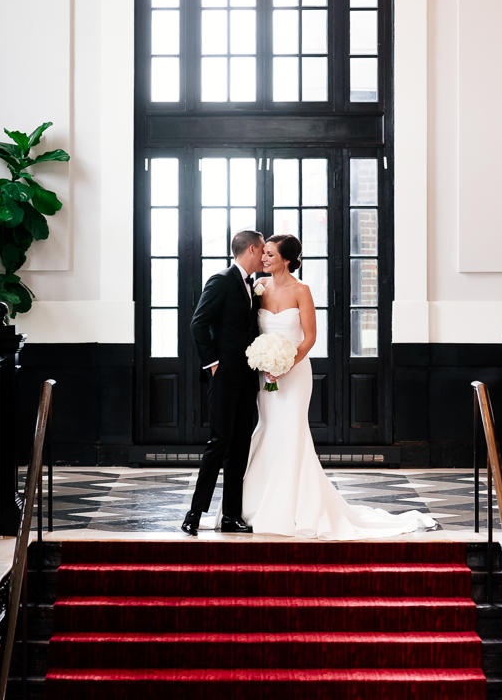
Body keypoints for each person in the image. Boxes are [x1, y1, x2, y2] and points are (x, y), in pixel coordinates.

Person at [241, 233, 438, 538]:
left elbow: (309, 338)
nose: (263, 259)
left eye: (270, 254)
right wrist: (265, 363)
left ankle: (295, 508)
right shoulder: (259, 288)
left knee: (291, 432)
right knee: (268, 429)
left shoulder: (301, 290)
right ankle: (257, 502)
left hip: (293, 372)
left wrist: (285, 365)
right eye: (263, 253)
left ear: (287, 259)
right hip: (265, 372)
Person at [181, 230, 264, 536]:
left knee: (240, 446)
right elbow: (198, 323)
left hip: (247, 379)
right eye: (262, 250)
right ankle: (194, 513)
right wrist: (213, 364)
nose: (265, 255)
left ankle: (231, 515)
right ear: (252, 249)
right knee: (219, 443)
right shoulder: (221, 280)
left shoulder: (252, 285)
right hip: (225, 376)